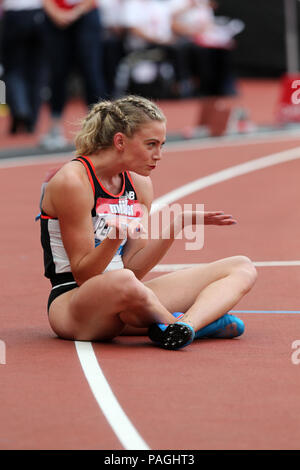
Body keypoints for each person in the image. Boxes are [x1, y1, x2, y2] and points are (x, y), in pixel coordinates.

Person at [38, 95, 257, 350]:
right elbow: (85, 275)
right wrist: (115, 237)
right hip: (76, 304)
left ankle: (186, 326)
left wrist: (177, 225)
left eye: (162, 145)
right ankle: (173, 321)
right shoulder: (73, 182)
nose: (159, 155)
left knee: (242, 266)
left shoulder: (139, 183)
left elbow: (134, 267)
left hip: (129, 297)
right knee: (124, 281)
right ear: (120, 141)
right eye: (151, 144)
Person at [40, 0, 106, 150]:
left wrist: (75, 13)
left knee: (91, 73)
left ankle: (99, 129)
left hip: (86, 15)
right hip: (56, 19)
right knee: (57, 73)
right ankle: (55, 129)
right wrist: (56, 13)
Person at [1, 0, 47, 133]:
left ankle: (20, 108)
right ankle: (31, 119)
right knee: (37, 70)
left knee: (12, 68)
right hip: (38, 14)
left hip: (13, 15)